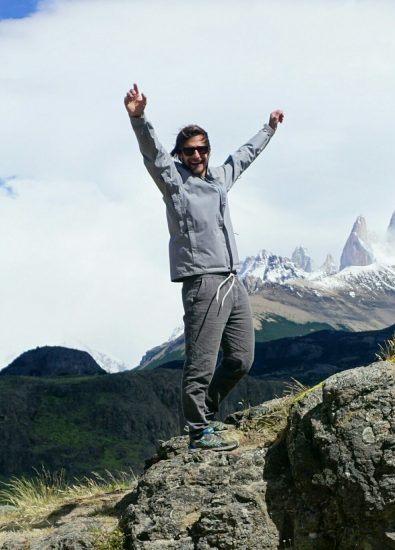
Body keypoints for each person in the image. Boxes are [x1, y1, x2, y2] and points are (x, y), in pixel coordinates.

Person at [124, 83, 284, 450]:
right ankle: (198, 431)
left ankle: (207, 412)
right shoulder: (174, 182)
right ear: (180, 154)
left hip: (232, 280)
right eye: (190, 151)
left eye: (202, 149)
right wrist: (138, 118)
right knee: (201, 363)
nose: (197, 155)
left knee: (241, 358)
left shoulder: (219, 178)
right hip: (202, 282)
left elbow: (243, 156)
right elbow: (153, 153)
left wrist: (269, 129)